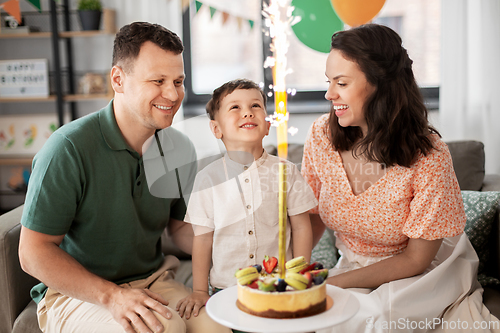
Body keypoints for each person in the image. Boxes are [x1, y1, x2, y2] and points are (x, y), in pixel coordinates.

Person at [18, 22, 230, 333]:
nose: (172, 94)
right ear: (118, 79)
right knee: (162, 330)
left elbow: (180, 228)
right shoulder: (68, 148)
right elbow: (32, 252)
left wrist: (233, 239)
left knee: (218, 327)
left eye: (178, 81)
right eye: (158, 81)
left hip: (155, 279)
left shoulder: (178, 147)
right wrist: (113, 297)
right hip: (78, 294)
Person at [301, 24, 500, 332]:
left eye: (341, 82)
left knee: (376, 322)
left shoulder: (429, 156)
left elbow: (415, 260)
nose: (329, 94)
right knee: (325, 319)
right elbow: (311, 213)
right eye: (329, 82)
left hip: (423, 270)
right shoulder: (321, 136)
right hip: (354, 265)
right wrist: (295, 274)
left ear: (380, 84)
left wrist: (330, 281)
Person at [175, 79, 317, 320]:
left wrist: (299, 275)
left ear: (267, 125)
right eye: (235, 108)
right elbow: (202, 239)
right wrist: (200, 291)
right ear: (216, 128)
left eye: (255, 106)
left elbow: (302, 226)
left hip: (279, 284)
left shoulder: (287, 171)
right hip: (227, 287)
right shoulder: (207, 179)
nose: (248, 112)